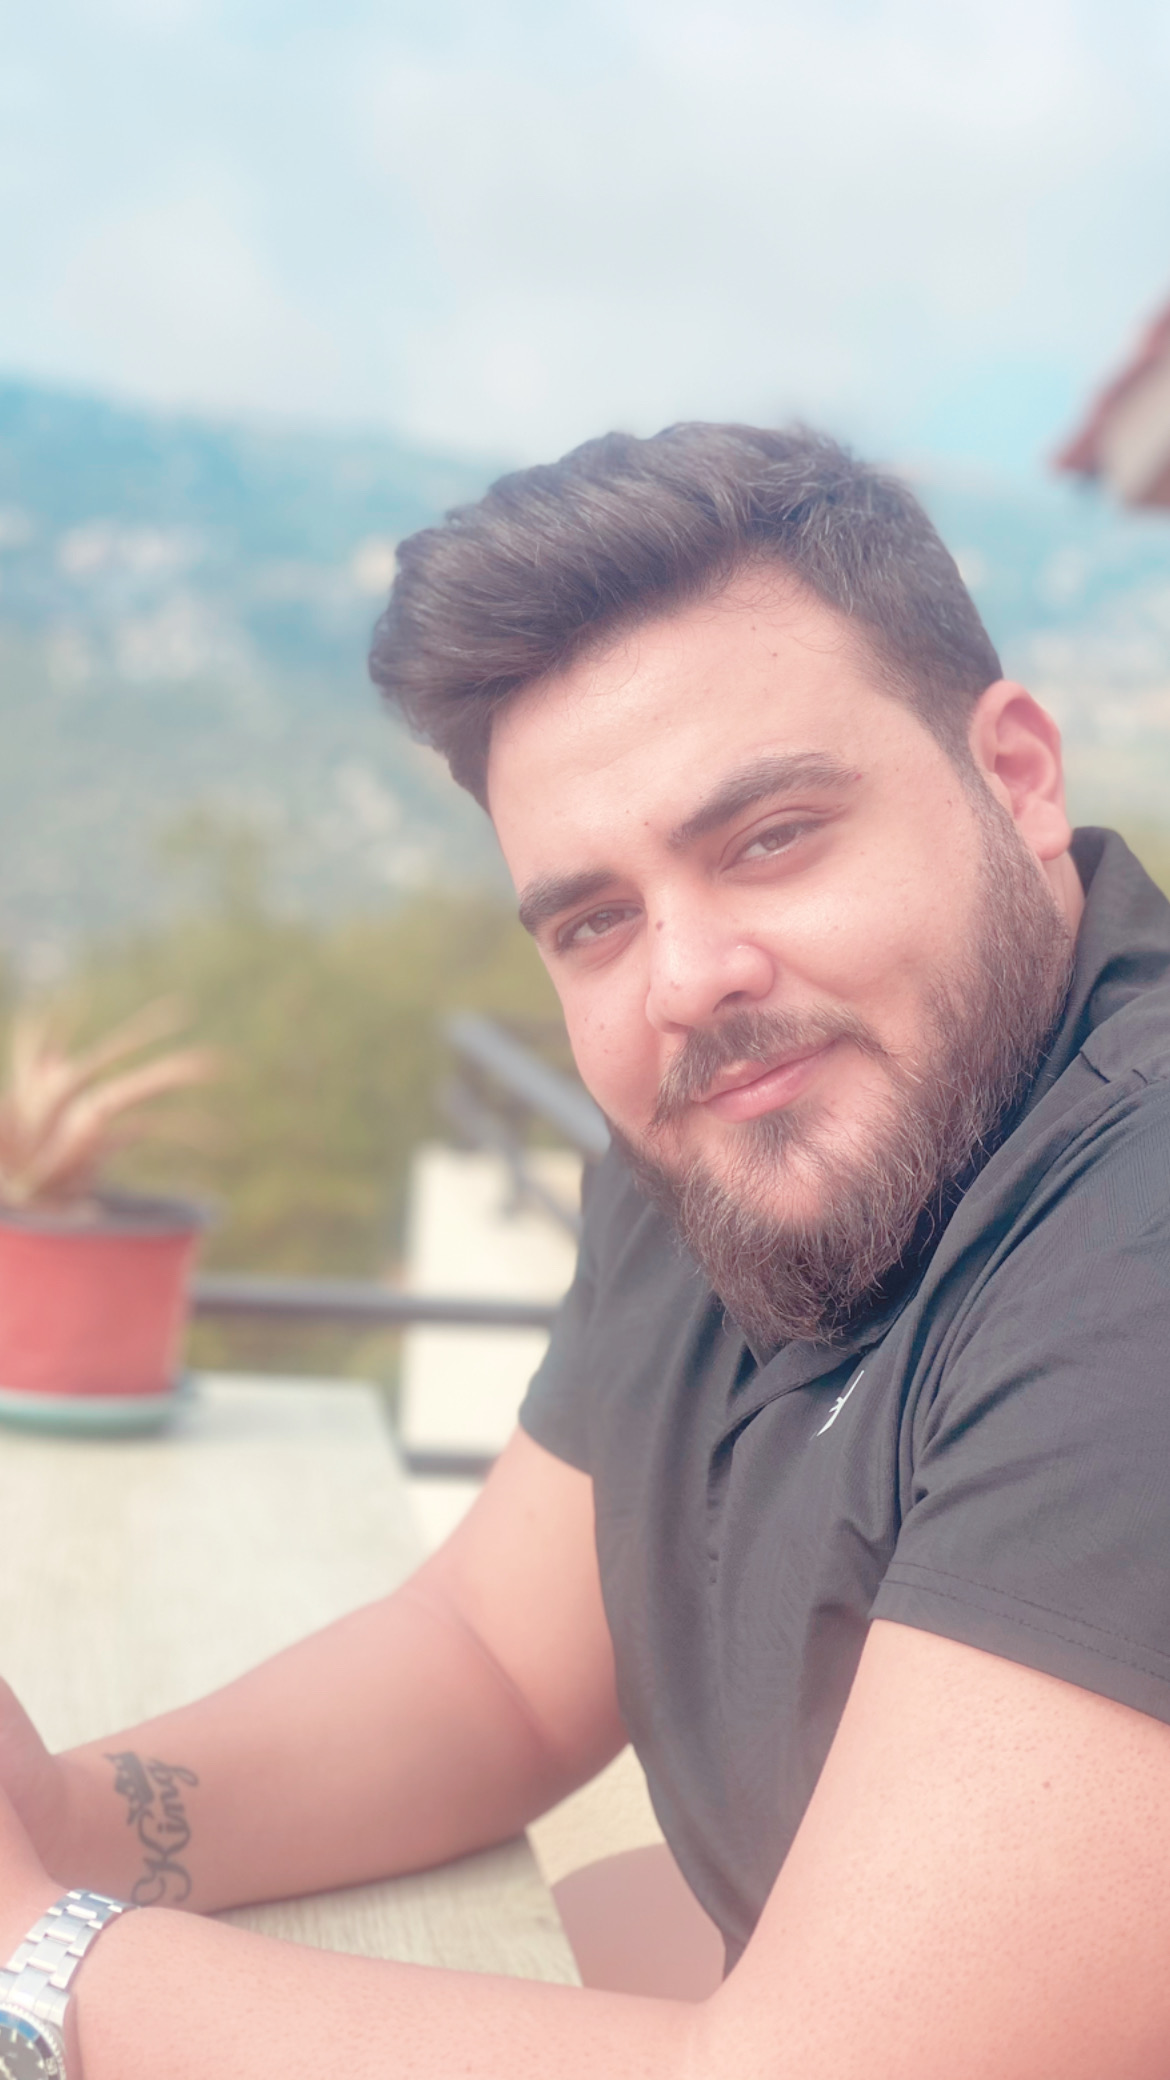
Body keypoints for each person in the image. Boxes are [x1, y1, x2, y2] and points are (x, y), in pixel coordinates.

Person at [4, 422, 1170, 2079]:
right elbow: (492, 1662)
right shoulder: (740, 1134)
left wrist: (40, 1958)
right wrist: (62, 1818)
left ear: (1017, 777)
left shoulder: (1135, 1232)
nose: (684, 979)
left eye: (770, 835)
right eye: (593, 921)